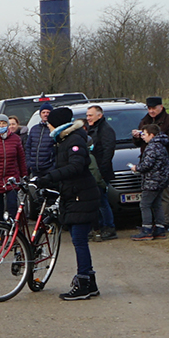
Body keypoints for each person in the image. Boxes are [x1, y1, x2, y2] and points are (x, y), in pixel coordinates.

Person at [45, 104, 104, 301]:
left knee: (79, 240)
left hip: (82, 195)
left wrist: (50, 177)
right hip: (74, 194)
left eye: (49, 124)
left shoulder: (73, 140)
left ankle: (83, 282)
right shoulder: (64, 140)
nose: (48, 127)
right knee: (79, 239)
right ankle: (91, 283)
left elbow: (76, 166)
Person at [82, 102, 120, 241]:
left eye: (90, 115)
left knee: (102, 201)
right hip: (92, 171)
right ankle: (98, 228)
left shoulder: (105, 130)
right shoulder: (91, 129)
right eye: (87, 115)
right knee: (96, 202)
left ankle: (109, 228)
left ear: (99, 115)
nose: (88, 118)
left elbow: (108, 152)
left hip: (100, 172)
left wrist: (102, 172)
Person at [133, 120, 169, 239]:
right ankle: (160, 228)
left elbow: (147, 165)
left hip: (152, 180)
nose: (142, 137)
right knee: (157, 204)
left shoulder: (152, 147)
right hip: (161, 180)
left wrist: (136, 168)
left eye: (144, 134)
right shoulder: (161, 145)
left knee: (144, 204)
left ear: (152, 135)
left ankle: (147, 229)